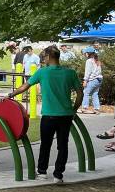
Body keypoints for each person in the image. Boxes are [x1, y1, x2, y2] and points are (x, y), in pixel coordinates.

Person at [10, 45, 83, 183]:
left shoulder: (42, 72)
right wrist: (74, 109)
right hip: (66, 115)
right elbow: (80, 94)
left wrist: (10, 95)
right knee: (63, 145)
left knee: (46, 144)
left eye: (44, 57)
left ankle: (42, 172)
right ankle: (58, 175)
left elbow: (25, 87)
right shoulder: (70, 73)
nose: (43, 59)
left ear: (49, 57)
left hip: (49, 115)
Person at [80, 46, 102, 115]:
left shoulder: (89, 61)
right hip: (99, 79)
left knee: (86, 92)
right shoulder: (97, 60)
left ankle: (84, 108)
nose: (85, 54)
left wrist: (85, 80)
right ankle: (96, 109)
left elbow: (88, 72)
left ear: (88, 53)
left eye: (85, 53)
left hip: (93, 79)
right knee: (95, 94)